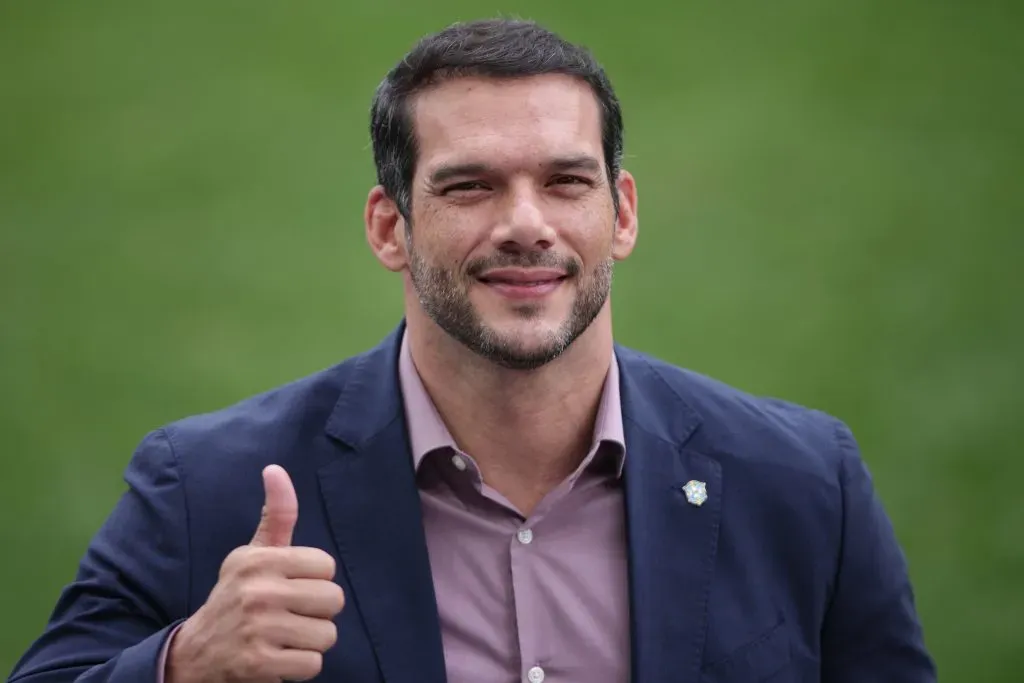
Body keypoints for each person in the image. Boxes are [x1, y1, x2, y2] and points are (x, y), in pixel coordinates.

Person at [8, 18, 936, 683]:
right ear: (390, 226)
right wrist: (180, 666)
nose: (525, 225)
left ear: (621, 214)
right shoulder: (205, 486)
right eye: (470, 187)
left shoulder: (805, 479)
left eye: (565, 181)